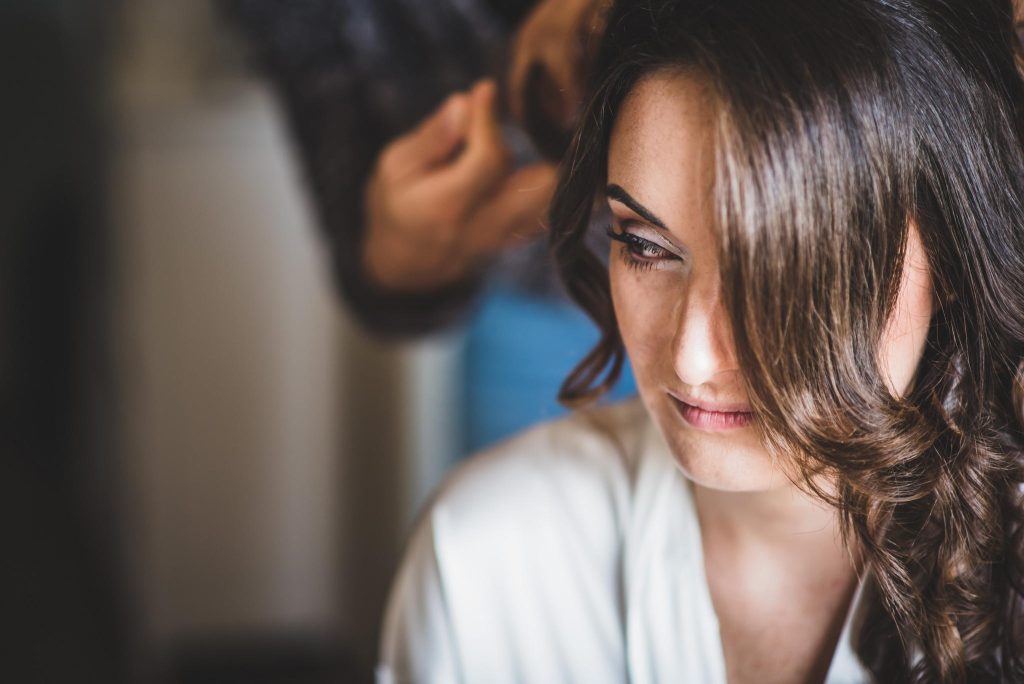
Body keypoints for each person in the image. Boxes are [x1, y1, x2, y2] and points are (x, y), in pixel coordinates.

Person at [377, 0, 1024, 681]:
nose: (690, 356)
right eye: (647, 246)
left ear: (953, 256)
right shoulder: (491, 565)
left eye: (784, 264)